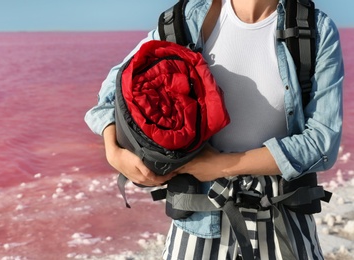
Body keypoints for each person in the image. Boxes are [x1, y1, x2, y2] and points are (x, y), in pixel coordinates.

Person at [85, 0, 344, 259]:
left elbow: (322, 142)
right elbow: (113, 91)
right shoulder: (186, 20)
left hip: (283, 221)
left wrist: (222, 165)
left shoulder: (314, 29)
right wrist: (114, 152)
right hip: (197, 221)